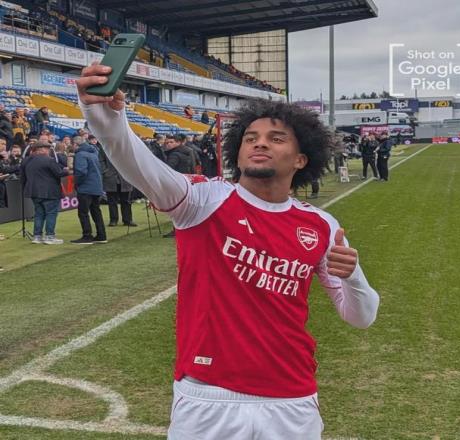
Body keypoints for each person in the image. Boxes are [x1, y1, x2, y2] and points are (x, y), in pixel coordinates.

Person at [77, 64, 379, 440]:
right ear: (238, 152)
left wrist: (352, 277)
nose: (260, 143)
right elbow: (140, 166)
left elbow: (361, 317)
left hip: (292, 401)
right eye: (250, 138)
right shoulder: (202, 200)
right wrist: (104, 116)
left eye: (276, 138)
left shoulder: (322, 226)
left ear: (301, 159)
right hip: (207, 399)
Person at [20, 141, 68, 244]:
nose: (49, 151)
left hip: (34, 192)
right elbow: (59, 173)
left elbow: (22, 178)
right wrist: (68, 170)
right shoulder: (49, 160)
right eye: (47, 149)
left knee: (39, 214)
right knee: (51, 213)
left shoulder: (26, 161)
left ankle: (37, 237)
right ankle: (50, 236)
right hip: (50, 192)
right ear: (42, 149)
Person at [71, 136, 107, 244]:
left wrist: (77, 183)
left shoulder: (80, 155)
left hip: (86, 187)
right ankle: (101, 235)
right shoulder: (94, 153)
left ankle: (87, 235)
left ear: (76, 144)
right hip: (96, 186)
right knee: (96, 211)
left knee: (83, 213)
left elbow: (81, 171)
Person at [96, 135, 137, 227]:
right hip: (111, 178)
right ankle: (113, 220)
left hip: (125, 178)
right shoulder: (104, 147)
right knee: (112, 201)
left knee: (126, 201)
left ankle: (127, 220)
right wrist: (105, 171)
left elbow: (132, 160)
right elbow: (101, 160)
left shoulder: (126, 147)